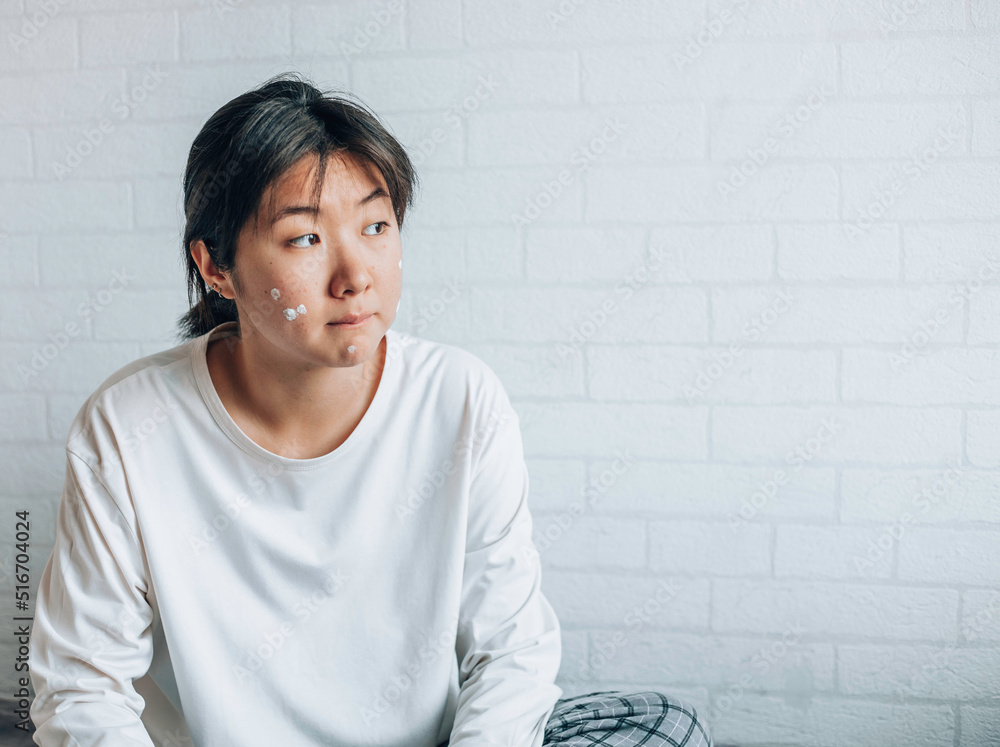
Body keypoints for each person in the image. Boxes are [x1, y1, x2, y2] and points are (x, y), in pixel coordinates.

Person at [27, 72, 714, 747]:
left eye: (376, 225)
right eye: (305, 237)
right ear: (216, 266)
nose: (356, 274)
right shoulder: (127, 426)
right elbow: (82, 687)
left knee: (664, 726)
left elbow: (510, 653)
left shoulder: (460, 401)